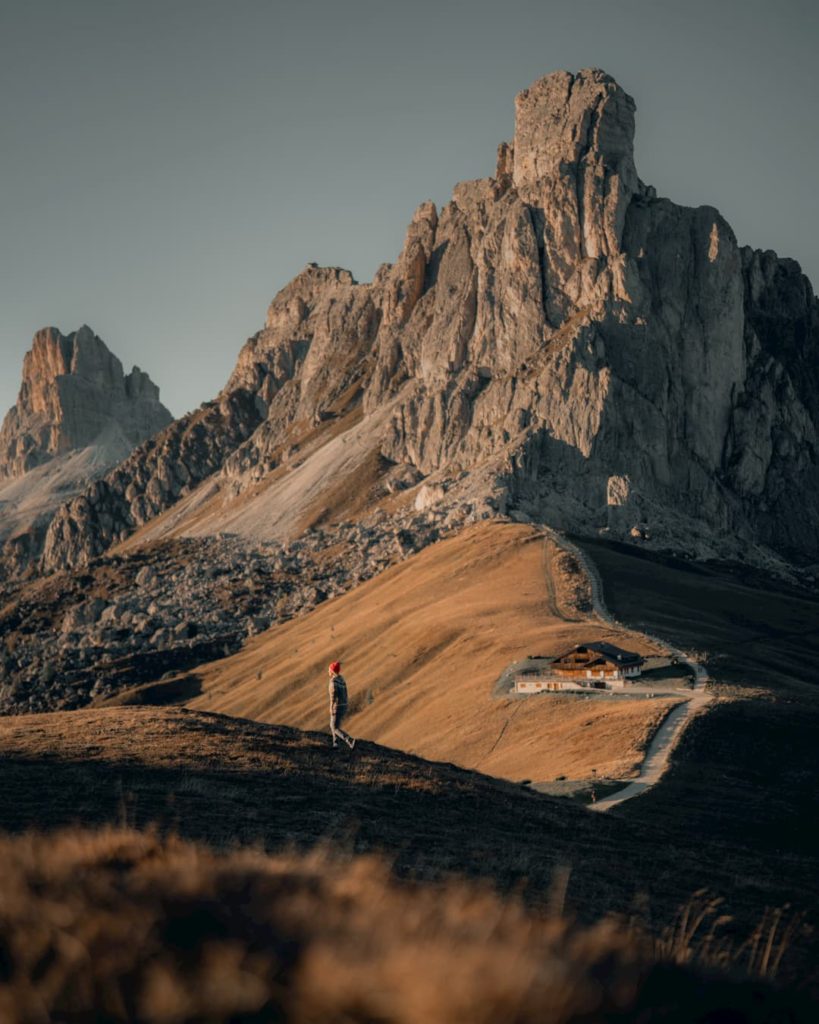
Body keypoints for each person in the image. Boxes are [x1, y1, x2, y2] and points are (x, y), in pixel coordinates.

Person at [328, 660, 355, 750]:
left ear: (332, 671)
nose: (328, 671)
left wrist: (331, 707)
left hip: (337, 706)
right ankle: (335, 743)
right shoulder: (342, 679)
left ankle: (349, 740)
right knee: (334, 725)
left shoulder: (333, 681)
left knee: (334, 727)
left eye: (329, 670)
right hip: (343, 704)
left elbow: (333, 695)